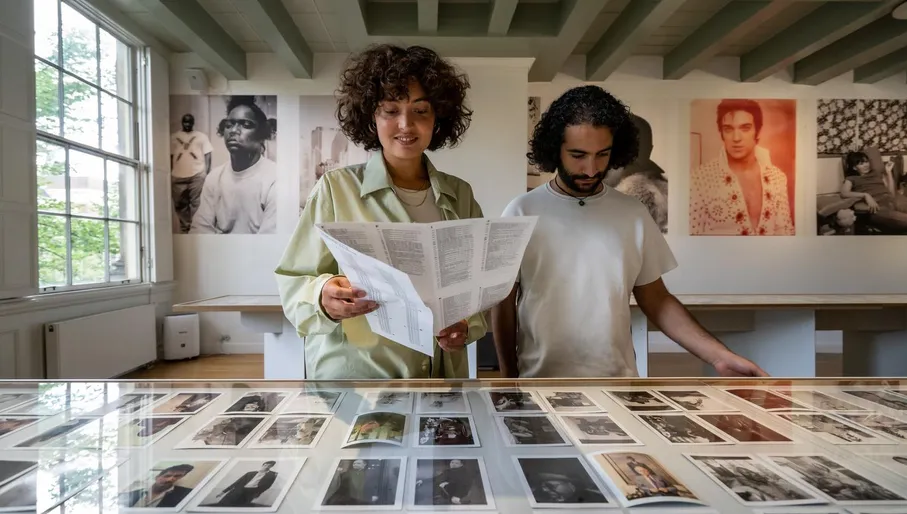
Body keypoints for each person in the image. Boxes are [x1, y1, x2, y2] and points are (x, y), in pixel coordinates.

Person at [491, 85, 767, 379]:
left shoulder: (632, 213)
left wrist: (719, 356)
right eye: (578, 155)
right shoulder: (521, 211)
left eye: (602, 155)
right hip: (539, 384)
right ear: (554, 149)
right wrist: (509, 378)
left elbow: (657, 300)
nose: (591, 169)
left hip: (617, 385)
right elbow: (504, 301)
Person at [274, 44, 486, 379]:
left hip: (439, 380)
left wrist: (466, 325)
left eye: (421, 110)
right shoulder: (335, 188)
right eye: (390, 110)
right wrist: (323, 295)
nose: (406, 125)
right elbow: (294, 281)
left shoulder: (460, 195)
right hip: (359, 381)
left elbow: (473, 288)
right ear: (372, 116)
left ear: (438, 117)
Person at [689, 98, 794, 235]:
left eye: (745, 128)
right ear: (721, 133)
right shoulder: (699, 179)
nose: (736, 138)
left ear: (758, 131)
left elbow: (785, 232)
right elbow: (692, 236)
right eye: (728, 129)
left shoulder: (777, 178)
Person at [190, 95, 277, 234]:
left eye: (246, 125)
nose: (234, 131)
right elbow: (200, 230)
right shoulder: (214, 177)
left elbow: (270, 238)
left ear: (262, 135)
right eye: (229, 125)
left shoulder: (275, 178)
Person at [839, 150, 907, 232]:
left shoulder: (876, 173)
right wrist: (865, 195)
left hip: (892, 201)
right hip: (878, 206)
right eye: (861, 164)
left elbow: (891, 193)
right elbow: (844, 193)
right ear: (854, 167)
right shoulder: (852, 178)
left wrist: (888, 172)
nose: (866, 165)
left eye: (866, 162)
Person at [171, 113, 213, 233]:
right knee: (180, 204)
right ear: (182, 122)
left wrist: (206, 173)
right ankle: (185, 230)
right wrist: (170, 172)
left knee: (197, 204)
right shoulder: (174, 137)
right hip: (177, 176)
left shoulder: (201, 137)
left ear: (193, 123)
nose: (187, 124)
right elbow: (170, 155)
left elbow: (208, 154)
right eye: (185, 122)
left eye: (189, 122)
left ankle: (196, 230)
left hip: (197, 175)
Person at [119, 464, 194, 508]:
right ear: (157, 477)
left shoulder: (186, 493)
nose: (171, 479)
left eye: (177, 476)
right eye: (167, 476)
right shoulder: (132, 493)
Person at [212, 461, 277, 507]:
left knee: (240, 507)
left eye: (269, 465)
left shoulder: (271, 475)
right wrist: (222, 492)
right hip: (237, 491)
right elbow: (237, 482)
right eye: (266, 465)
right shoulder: (250, 473)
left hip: (250, 493)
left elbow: (267, 486)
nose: (267, 466)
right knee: (223, 504)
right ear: (263, 465)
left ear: (271, 467)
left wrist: (258, 493)